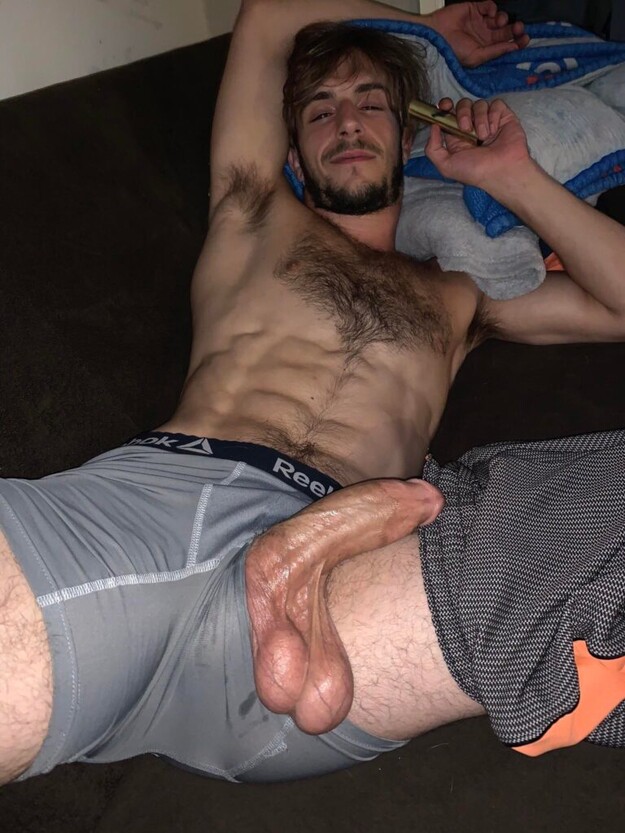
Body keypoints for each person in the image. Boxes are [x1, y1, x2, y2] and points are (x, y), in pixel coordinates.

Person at [1, 0, 625, 787]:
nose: (348, 122)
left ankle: (311, 546)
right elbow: (267, 16)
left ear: (407, 134)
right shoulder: (253, 213)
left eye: (371, 103)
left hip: (341, 591)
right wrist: (425, 30)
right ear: (293, 152)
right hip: (165, 505)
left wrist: (512, 178)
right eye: (321, 110)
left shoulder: (459, 297)